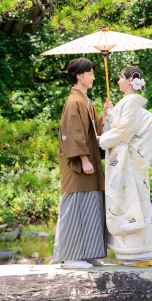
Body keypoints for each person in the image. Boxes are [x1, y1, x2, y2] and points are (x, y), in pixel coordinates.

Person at [52, 58, 114, 269]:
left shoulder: (85, 100)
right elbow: (73, 132)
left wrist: (104, 115)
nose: (93, 77)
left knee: (91, 206)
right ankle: (71, 256)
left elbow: (93, 128)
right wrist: (84, 159)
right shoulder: (73, 101)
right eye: (90, 73)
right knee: (76, 205)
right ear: (79, 75)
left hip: (88, 163)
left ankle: (87, 253)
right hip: (78, 165)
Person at [99, 66, 152, 267]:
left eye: (120, 78)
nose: (117, 81)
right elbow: (124, 126)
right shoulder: (131, 104)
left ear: (130, 80)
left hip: (130, 165)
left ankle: (136, 254)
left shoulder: (131, 103)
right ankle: (141, 253)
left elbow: (124, 131)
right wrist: (111, 113)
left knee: (133, 207)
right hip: (133, 164)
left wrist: (101, 140)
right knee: (137, 204)